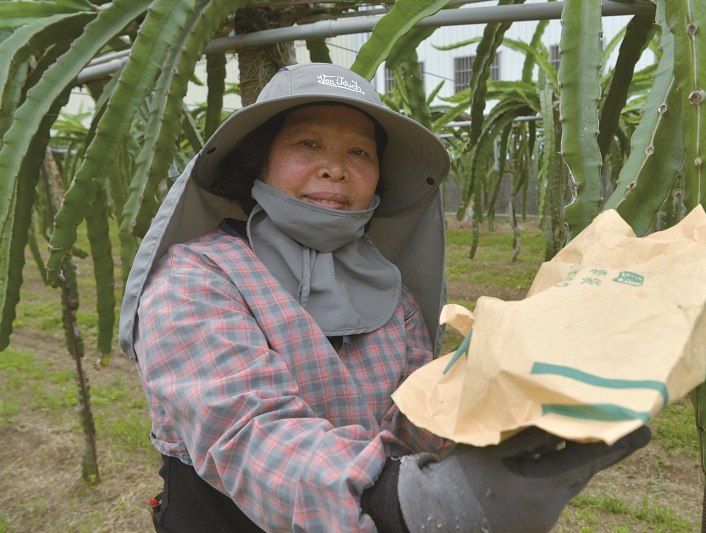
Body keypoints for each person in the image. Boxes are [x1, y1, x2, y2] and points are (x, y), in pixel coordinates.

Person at [119, 63, 650, 533]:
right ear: (259, 161)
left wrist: (511, 405)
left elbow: (414, 417)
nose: (336, 167)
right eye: (308, 144)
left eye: (359, 151)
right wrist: (404, 502)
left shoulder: (391, 293)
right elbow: (248, 434)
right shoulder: (197, 276)